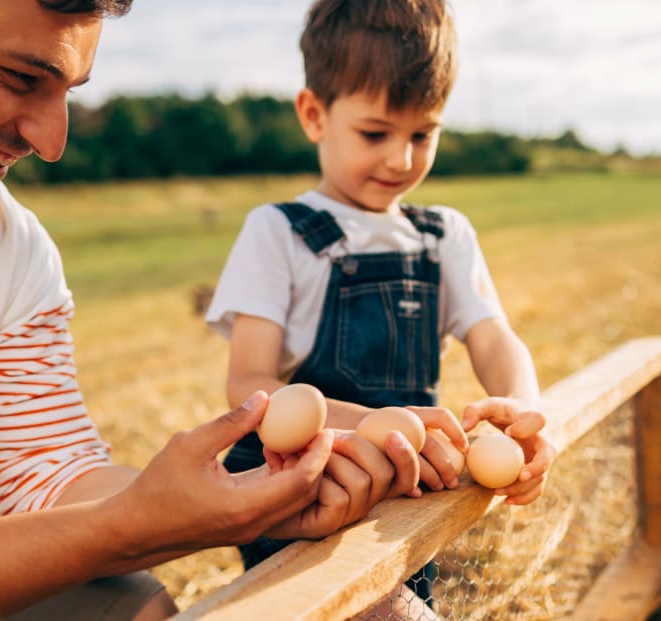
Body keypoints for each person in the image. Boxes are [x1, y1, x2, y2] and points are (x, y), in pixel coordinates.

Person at [0, 1, 422, 619]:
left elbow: (47, 479)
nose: (51, 141)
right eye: (19, 78)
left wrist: (255, 500)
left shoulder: (7, 249)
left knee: (127, 606)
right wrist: (127, 527)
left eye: (67, 92)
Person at [205, 0, 558, 614]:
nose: (401, 159)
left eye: (423, 134)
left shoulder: (444, 236)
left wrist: (523, 413)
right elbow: (249, 384)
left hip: (405, 486)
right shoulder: (279, 232)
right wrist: (378, 423)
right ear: (315, 115)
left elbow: (494, 336)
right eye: (376, 134)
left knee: (402, 594)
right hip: (302, 487)